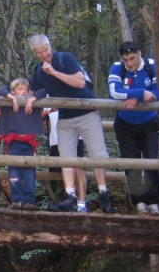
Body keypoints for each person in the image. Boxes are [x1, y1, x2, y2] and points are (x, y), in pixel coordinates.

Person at [29, 33, 113, 213]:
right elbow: (35, 90)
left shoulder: (65, 58)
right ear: (34, 53)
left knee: (97, 154)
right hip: (65, 117)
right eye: (39, 53)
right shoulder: (37, 71)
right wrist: (27, 99)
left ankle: (103, 192)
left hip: (86, 111)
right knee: (66, 157)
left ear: (50, 46)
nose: (44, 55)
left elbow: (80, 82)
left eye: (46, 50)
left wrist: (53, 72)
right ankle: (70, 196)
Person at [108, 41, 159, 215]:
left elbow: (158, 92)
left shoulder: (152, 66)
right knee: (131, 164)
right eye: (126, 59)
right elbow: (114, 91)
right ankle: (139, 201)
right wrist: (140, 94)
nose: (129, 63)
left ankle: (154, 202)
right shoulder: (118, 68)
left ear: (140, 53)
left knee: (151, 161)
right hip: (125, 123)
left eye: (132, 58)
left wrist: (134, 98)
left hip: (149, 122)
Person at [0, 78, 45, 209]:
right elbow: (0, 89)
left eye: (26, 89)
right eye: (20, 89)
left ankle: (29, 201)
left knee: (29, 174)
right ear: (13, 91)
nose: (23, 92)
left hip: (29, 145)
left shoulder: (32, 104)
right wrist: (12, 97)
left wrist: (32, 99)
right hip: (14, 144)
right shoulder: (9, 104)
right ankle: (16, 200)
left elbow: (43, 90)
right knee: (14, 174)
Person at [45, 108, 88, 212]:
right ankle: (70, 201)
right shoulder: (45, 94)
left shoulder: (71, 91)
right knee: (65, 170)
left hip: (75, 136)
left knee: (77, 168)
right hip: (55, 139)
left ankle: (82, 204)